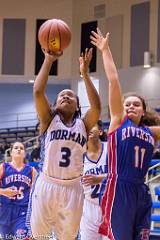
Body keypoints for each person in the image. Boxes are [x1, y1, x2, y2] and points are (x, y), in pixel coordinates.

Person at [90, 28, 160, 240]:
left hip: (141, 190)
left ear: (143, 109)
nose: (130, 107)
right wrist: (105, 51)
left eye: (135, 104)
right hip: (118, 187)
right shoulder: (118, 121)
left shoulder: (151, 132)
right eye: (127, 104)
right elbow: (113, 80)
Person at [30, 48, 101, 240]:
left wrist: (85, 74)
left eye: (70, 96)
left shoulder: (84, 125)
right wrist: (48, 60)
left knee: (68, 238)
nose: (66, 96)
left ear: (77, 105)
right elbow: (37, 91)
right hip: (47, 184)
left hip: (73, 188)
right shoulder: (48, 120)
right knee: (40, 237)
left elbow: (96, 108)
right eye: (62, 95)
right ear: (55, 104)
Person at [0, 141, 37, 240]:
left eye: (21, 148)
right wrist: (3, 192)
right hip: (5, 211)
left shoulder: (31, 170)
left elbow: (38, 193)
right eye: (16, 148)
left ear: (25, 153)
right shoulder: (3, 167)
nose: (19, 149)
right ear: (11, 152)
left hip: (23, 212)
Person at [80, 120, 108, 240]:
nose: (88, 129)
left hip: (111, 206)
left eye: (92, 126)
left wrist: (101, 178)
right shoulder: (78, 155)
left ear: (100, 131)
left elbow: (122, 174)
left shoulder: (111, 148)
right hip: (89, 207)